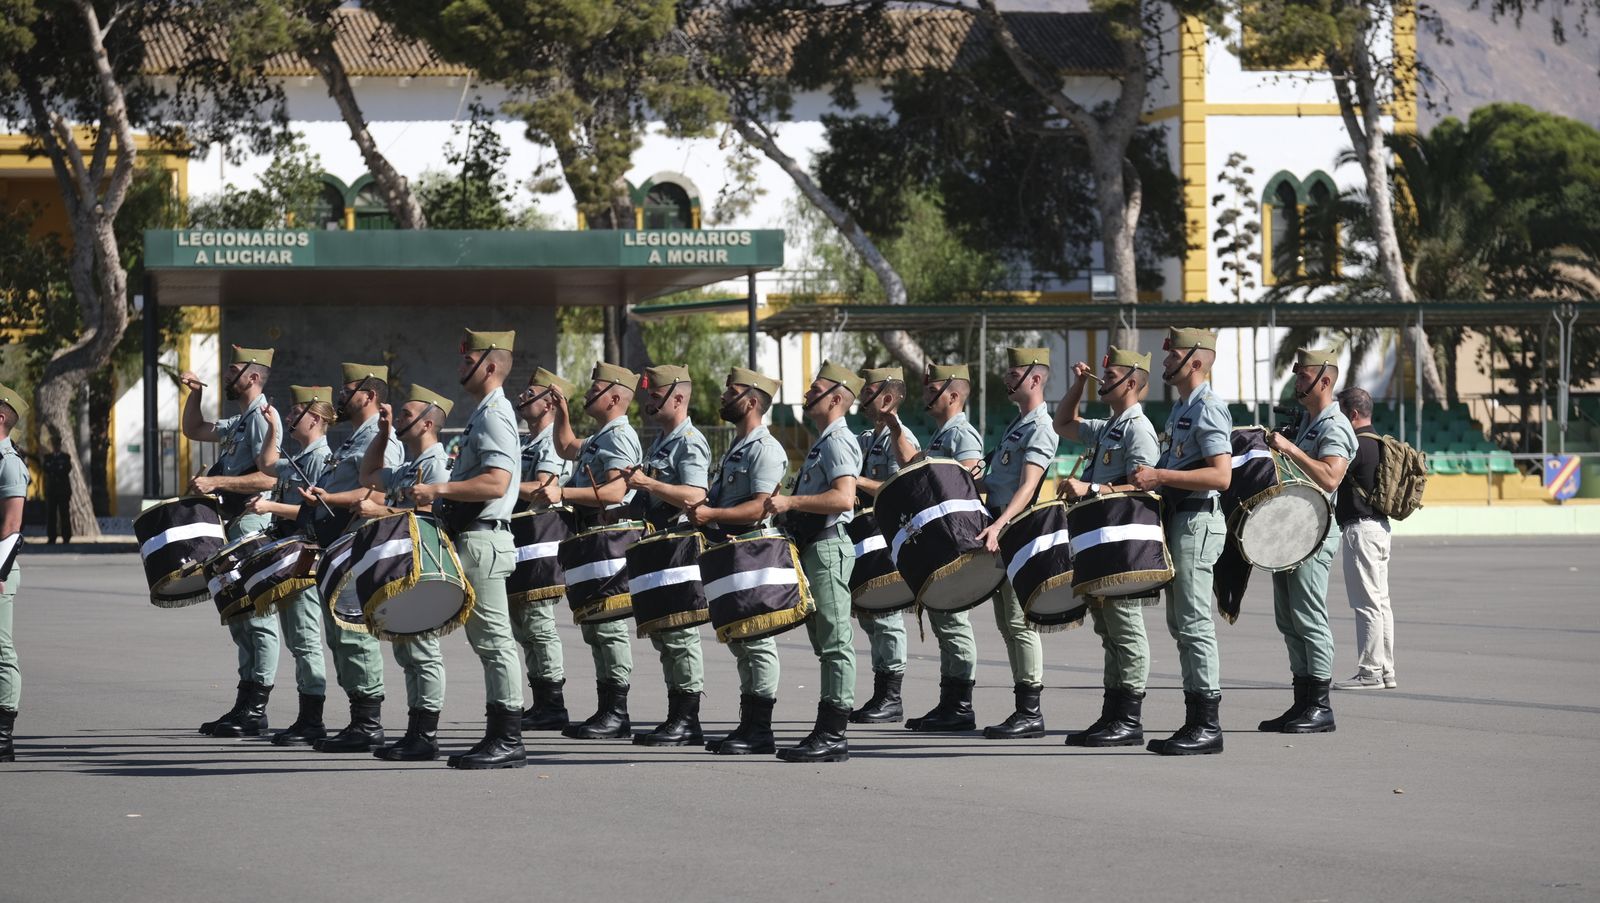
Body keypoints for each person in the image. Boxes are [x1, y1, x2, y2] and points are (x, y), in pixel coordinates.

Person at [410, 329, 528, 769]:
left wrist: (441, 486)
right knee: (488, 641)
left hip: (484, 536)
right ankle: (501, 735)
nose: (460, 367)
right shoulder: (484, 414)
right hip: (474, 535)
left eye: (468, 361)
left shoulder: (495, 414)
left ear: (490, 367)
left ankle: (507, 738)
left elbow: (497, 482)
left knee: (495, 642)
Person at [283, 362, 404, 754]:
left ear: (369, 395)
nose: (341, 395)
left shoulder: (382, 439)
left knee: (354, 635)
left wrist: (328, 498)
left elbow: (382, 495)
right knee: (340, 636)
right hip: (340, 548)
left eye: (348, 388)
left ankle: (368, 723)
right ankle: (358, 718)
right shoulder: (355, 439)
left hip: (361, 545)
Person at [1130, 327, 1233, 756]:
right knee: (1181, 624)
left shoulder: (1209, 408)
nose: (1165, 359)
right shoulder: (1181, 409)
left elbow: (1221, 476)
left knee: (1193, 623)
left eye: (1172, 354)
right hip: (1180, 520)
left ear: (1195, 361)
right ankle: (1196, 719)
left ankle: (1206, 724)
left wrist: (1161, 476)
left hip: (1197, 521)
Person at [531, 361, 643, 741]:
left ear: (614, 396)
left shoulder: (619, 437)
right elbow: (565, 446)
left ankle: (617, 711)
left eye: (596, 387)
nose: (588, 391)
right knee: (596, 627)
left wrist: (563, 492)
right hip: (591, 540)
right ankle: (606, 708)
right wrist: (562, 412)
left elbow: (615, 491)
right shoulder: (600, 436)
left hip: (609, 540)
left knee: (609, 628)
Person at [1054, 347, 1160, 747]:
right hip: (1100, 538)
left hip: (1124, 541)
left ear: (1131, 383)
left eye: (1110, 374)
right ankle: (1112, 712)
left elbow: (1148, 484)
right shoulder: (1110, 427)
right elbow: (1063, 422)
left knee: (1126, 628)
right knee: (1109, 629)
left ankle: (1129, 718)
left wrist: (1093, 487)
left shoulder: (1138, 428)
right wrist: (1078, 384)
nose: (1104, 379)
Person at [180, 346, 283, 738]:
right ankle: (245, 703)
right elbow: (195, 430)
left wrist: (216, 481)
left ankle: (256, 706)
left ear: (253, 377)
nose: (227, 374)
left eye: (234, 370)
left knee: (257, 616)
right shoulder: (242, 419)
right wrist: (196, 393)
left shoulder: (261, 418)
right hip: (234, 524)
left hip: (252, 524)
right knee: (239, 614)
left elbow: (270, 478)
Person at [686, 367, 789, 755]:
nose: (723, 397)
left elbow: (759, 508)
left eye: (731, 392)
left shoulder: (765, 448)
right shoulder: (738, 446)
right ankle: (749, 724)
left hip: (752, 552)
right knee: (741, 641)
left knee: (757, 641)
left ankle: (760, 728)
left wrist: (712, 515)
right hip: (729, 554)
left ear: (751, 401)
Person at [765, 361, 862, 763]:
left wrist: (791, 501)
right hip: (813, 547)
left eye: (815, 389)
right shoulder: (824, 440)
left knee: (836, 642)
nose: (807, 395)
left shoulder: (838, 440)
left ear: (837, 398)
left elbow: (843, 498)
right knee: (825, 643)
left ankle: (833, 733)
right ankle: (826, 728)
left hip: (828, 547)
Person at [1259, 348, 1356, 733]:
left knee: (1309, 618)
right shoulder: (1310, 423)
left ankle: (1320, 706)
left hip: (1314, 532)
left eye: (1303, 376)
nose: (1297, 382)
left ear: (1325, 381)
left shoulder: (1334, 425)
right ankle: (1302, 701)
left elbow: (1331, 478)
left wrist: (1290, 448)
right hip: (1291, 533)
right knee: (1289, 619)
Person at [357, 384, 456, 761]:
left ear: (427, 423)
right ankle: (415, 731)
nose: (397, 419)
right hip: (400, 567)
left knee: (423, 650)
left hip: (423, 566)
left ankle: (426, 735)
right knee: (408, 651)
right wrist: (383, 433)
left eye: (404, 416)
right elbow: (369, 474)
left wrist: (380, 513)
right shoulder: (409, 467)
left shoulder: (435, 465)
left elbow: (429, 519)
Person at [623, 365, 712, 746]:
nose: (648, 400)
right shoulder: (663, 441)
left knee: (679, 634)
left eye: (655, 394)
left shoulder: (689, 442)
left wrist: (647, 482)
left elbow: (695, 496)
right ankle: (675, 714)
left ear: (677, 398)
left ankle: (687, 719)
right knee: (665, 635)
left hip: (678, 546)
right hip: (658, 545)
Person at [973, 348, 1058, 740]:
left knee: (1020, 623)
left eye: (1015, 373)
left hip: (1017, 528)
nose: (1007, 379)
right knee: (1008, 622)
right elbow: (998, 482)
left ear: (1035, 380)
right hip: (1001, 524)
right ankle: (1024, 707)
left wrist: (1001, 524)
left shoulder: (1041, 426)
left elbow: (1028, 486)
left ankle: (1030, 711)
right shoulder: (1017, 425)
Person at [245, 385, 335, 746]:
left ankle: (312, 718)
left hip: (305, 555)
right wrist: (274, 429)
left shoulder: (321, 459)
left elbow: (317, 510)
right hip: (287, 553)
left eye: (296, 412)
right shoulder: (298, 455)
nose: (290, 415)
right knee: (298, 640)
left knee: (305, 638)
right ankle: (306, 716)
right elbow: (267, 465)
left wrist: (271, 508)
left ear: (314, 418)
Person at [904, 363, 985, 733]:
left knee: (953, 620)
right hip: (938, 538)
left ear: (953, 396)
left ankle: (961, 705)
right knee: (942, 619)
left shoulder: (962, 435)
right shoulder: (939, 437)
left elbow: (967, 483)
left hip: (954, 538)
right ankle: (949, 701)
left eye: (932, 388)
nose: (925, 395)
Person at [849, 366, 919, 725]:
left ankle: (891, 696)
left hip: (888, 532)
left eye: (868, 392)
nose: (861, 399)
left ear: (887, 398)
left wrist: (855, 481)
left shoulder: (900, 437)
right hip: (865, 533)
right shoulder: (865, 438)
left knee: (887, 614)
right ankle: (881, 691)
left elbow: (900, 482)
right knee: (870, 615)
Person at [510, 368, 577, 731]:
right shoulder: (525, 443)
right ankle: (541, 700)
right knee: (523, 625)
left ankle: (553, 702)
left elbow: (542, 486)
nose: (522, 397)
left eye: (530, 393)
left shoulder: (553, 441)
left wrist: (501, 484)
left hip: (541, 539)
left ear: (550, 401)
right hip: (522, 539)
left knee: (538, 623)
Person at [1334, 387, 1396, 691]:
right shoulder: (1379, 443)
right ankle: (1386, 669)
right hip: (1380, 528)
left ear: (1352, 414)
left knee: (1366, 604)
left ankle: (1369, 671)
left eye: (1340, 411)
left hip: (1361, 530)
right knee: (1381, 603)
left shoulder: (1356, 445)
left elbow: (1329, 475)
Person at [0, 382, 31, 763]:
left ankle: (3, 734)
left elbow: (10, 526)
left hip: (0, 567)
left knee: (0, 649)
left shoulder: (9, 464)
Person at [41, 443, 71, 546]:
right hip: (52, 491)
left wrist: (54, 468)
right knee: (51, 515)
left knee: (64, 514)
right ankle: (51, 537)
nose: (55, 447)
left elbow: (66, 469)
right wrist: (58, 467)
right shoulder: (48, 457)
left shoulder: (65, 457)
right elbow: (46, 468)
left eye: (57, 444)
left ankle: (66, 537)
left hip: (63, 491)